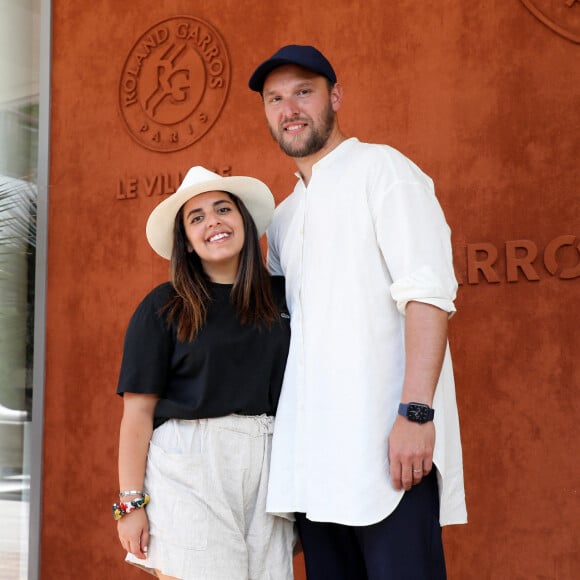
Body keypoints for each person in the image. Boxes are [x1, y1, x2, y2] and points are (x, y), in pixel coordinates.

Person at [248, 45, 467, 579]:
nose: (289, 108)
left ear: (335, 97)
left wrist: (416, 414)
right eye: (275, 98)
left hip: (390, 457)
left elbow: (428, 294)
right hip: (316, 469)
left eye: (303, 91)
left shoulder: (383, 171)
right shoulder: (282, 218)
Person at [114, 166, 294, 580]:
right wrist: (130, 504)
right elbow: (137, 414)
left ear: (244, 223)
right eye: (196, 218)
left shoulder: (283, 297)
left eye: (222, 209)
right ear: (188, 244)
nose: (212, 221)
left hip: (269, 463)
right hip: (189, 466)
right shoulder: (165, 306)